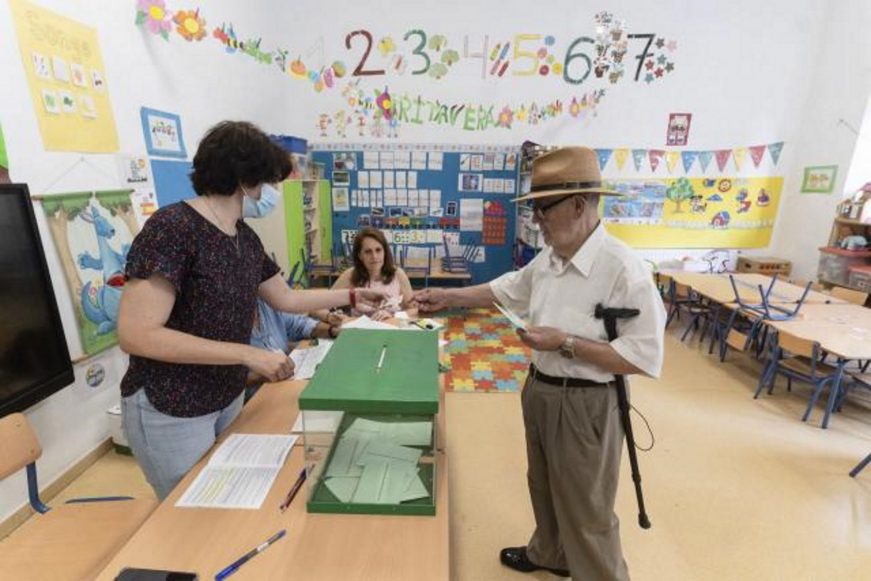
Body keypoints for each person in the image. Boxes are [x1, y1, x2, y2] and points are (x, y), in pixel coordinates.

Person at [415, 146, 666, 581]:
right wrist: (449, 296)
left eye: (542, 209)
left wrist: (566, 342)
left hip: (587, 403)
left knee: (587, 507)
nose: (537, 221)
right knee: (543, 485)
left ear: (578, 204)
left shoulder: (625, 270)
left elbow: (643, 358)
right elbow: (508, 287)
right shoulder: (549, 258)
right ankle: (551, 552)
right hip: (539, 388)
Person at [117, 120, 384, 500]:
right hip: (172, 403)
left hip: (225, 394)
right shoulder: (173, 228)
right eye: (268, 181)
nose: (271, 192)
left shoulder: (243, 235)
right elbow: (137, 333)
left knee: (224, 502)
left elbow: (286, 299)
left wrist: (352, 297)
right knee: (187, 514)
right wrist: (248, 354)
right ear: (245, 178)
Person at [245, 297, 341, 400]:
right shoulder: (229, 321)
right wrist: (261, 375)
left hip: (286, 386)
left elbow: (300, 325)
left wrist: (332, 331)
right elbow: (228, 382)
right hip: (256, 402)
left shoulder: (267, 302)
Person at [316, 227, 416, 321]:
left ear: (385, 251)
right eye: (368, 252)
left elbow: (414, 309)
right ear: (360, 255)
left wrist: (393, 316)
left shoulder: (398, 274)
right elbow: (318, 307)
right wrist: (330, 317)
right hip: (360, 333)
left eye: (378, 250)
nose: (374, 256)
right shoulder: (350, 275)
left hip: (392, 331)